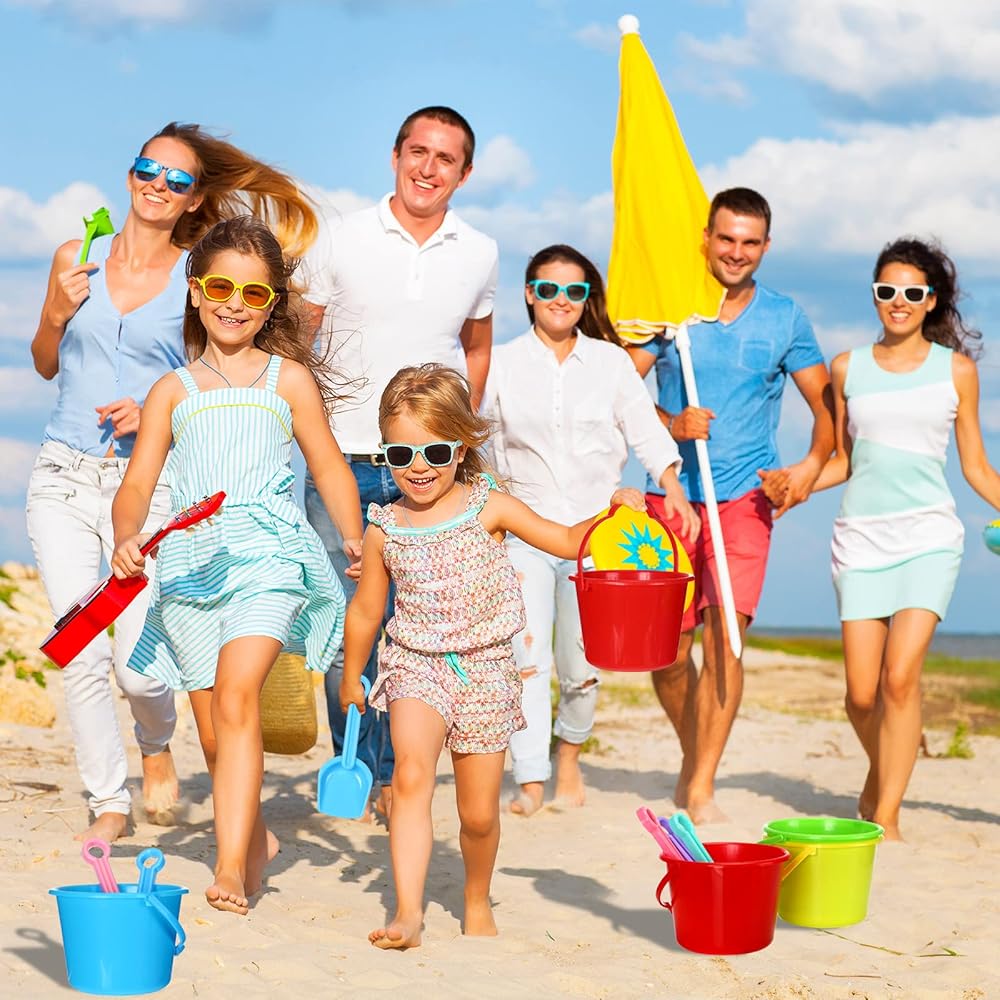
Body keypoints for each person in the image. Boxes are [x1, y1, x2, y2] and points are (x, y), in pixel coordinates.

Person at [27, 122, 318, 843]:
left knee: (139, 670)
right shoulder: (76, 256)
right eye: (147, 170)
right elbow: (44, 361)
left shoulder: (203, 277)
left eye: (177, 179)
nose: (158, 185)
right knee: (80, 647)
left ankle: (155, 745)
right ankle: (109, 801)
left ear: (194, 199)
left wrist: (153, 406)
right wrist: (57, 312)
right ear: (130, 175)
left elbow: (214, 372)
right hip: (63, 475)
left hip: (151, 486)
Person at [339, 363, 645, 949]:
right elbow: (366, 610)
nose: (418, 467)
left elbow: (566, 540)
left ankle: (476, 898)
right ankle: (408, 913)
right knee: (410, 777)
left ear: (461, 448)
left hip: (485, 671)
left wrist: (614, 512)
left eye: (435, 451)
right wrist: (353, 674)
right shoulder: (384, 527)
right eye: (401, 455)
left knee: (478, 816)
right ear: (385, 455)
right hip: (414, 665)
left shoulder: (490, 507)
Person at [111, 217, 363, 913]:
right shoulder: (171, 391)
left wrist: (352, 536)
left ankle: (226, 869)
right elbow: (137, 484)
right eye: (221, 287)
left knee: (236, 696)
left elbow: (328, 466)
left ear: (272, 303)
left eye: (254, 293)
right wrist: (126, 536)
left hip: (269, 555)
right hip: (191, 568)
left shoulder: (289, 380)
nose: (234, 304)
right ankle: (253, 846)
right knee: (216, 736)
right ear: (195, 292)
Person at [301, 106, 499, 819]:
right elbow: (301, 338)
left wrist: (461, 441)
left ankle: (397, 779)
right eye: (418, 151)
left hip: (432, 465)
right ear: (395, 155)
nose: (428, 168)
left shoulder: (480, 251)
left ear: (464, 174)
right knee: (348, 623)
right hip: (344, 461)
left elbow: (476, 348)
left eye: (445, 159)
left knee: (415, 627)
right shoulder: (341, 235)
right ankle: (357, 763)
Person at [627, 187, 834, 824]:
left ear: (766, 246)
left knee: (727, 640)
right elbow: (615, 393)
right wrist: (671, 422)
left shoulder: (785, 318)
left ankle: (701, 785)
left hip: (744, 498)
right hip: (672, 495)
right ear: (707, 239)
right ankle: (697, 755)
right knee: (667, 653)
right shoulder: (671, 311)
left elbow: (828, 408)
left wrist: (806, 469)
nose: (737, 252)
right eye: (726, 239)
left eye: (750, 242)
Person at [487, 244, 700, 817]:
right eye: (548, 289)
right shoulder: (502, 362)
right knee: (526, 657)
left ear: (586, 299)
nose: (561, 300)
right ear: (529, 294)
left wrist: (673, 488)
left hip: (597, 538)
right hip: (524, 532)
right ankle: (530, 779)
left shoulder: (610, 363)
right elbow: (479, 441)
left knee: (583, 665)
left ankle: (569, 757)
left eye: (574, 291)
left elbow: (646, 430)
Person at [798, 238, 999, 841]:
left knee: (900, 679)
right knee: (861, 696)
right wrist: (792, 486)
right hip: (860, 540)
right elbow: (843, 461)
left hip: (929, 538)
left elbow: (977, 468)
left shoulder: (956, 371)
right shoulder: (846, 368)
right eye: (887, 290)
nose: (899, 301)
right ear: (875, 296)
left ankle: (886, 814)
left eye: (913, 292)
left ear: (931, 300)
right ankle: (887, 763)